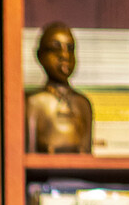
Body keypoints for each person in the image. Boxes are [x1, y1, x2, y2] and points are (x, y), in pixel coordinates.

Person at [25, 21, 93, 153]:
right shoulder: (33, 102)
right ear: (40, 55)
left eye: (70, 49)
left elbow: (87, 158)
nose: (65, 56)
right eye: (55, 48)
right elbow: (29, 154)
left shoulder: (83, 104)